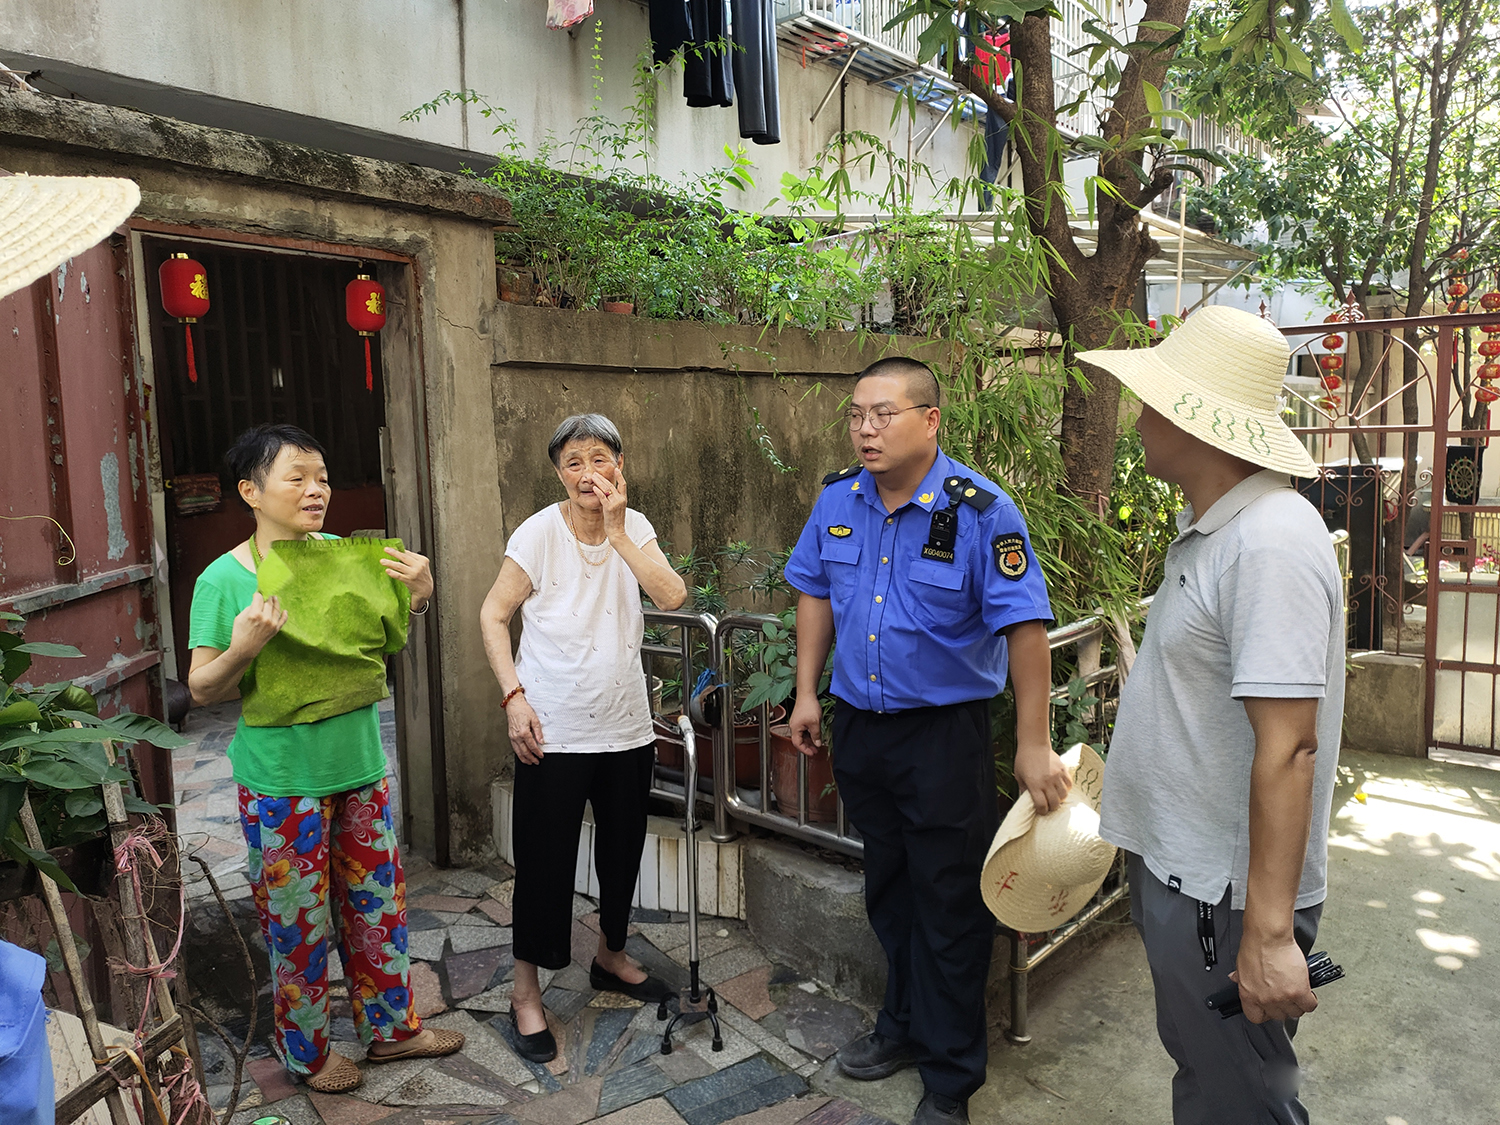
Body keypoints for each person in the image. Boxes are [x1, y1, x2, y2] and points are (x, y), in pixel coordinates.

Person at [782, 358, 1069, 1125]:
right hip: (862, 731)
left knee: (949, 903)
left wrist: (1034, 742)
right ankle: (901, 1027)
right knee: (890, 891)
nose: (866, 428)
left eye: (883, 413)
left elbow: (1025, 625)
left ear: (930, 419)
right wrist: (808, 693)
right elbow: (813, 589)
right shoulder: (838, 499)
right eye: (855, 414)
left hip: (944, 738)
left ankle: (951, 1076)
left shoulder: (982, 511)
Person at [1080, 306, 1345, 1123]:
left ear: (1200, 420)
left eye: (1156, 399)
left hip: (1223, 896)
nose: (1140, 417)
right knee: (1209, 1077)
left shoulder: (1268, 542)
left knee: (1242, 1101)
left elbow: (1290, 745)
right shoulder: (1220, 532)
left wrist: (1266, 935)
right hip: (1191, 876)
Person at [188, 423, 462, 1094]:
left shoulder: (346, 555)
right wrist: (244, 646)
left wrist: (422, 590)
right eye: (297, 478)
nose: (317, 490)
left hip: (362, 770)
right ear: (251, 490)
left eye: (323, 477)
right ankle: (306, 1053)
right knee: (298, 927)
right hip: (282, 786)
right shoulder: (222, 580)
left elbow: (393, 625)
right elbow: (201, 687)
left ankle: (393, 1031)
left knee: (379, 912)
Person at [479, 413, 687, 1063]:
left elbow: (672, 594)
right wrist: (514, 698)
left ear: (620, 465)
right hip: (554, 729)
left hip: (625, 727)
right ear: (558, 471)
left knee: (622, 852)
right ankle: (525, 993)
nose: (587, 472)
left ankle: (611, 954)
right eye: (573, 461)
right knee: (544, 864)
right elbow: (493, 612)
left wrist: (620, 530)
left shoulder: (635, 526)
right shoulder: (538, 532)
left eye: (599, 458)